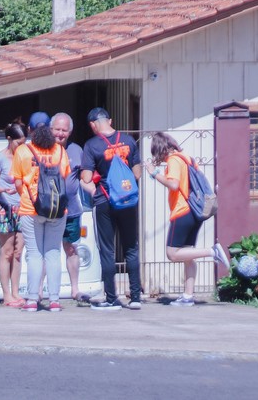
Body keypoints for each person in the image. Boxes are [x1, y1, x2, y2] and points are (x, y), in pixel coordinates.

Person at [145, 132, 231, 307]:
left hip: (182, 211)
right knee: (188, 255)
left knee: (172, 253)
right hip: (195, 211)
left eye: (155, 152)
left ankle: (212, 252)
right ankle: (188, 296)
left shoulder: (174, 160)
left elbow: (174, 184)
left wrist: (154, 173)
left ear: (161, 149)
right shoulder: (186, 158)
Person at [80, 107, 143, 311]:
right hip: (127, 200)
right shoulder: (129, 141)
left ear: (93, 125)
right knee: (131, 248)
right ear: (110, 120)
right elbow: (137, 174)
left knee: (107, 250)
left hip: (105, 200)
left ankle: (111, 298)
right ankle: (135, 298)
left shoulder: (92, 145)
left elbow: (86, 178)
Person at [12, 124, 71, 312]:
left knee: (34, 254)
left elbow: (18, 182)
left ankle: (31, 300)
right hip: (57, 209)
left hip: (31, 208)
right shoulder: (59, 151)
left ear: (32, 133)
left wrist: (28, 197)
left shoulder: (23, 151)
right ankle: (54, 300)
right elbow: (65, 177)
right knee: (53, 252)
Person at [51, 112, 91, 304]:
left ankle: (75, 289)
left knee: (71, 249)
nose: (60, 133)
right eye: (57, 129)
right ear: (50, 129)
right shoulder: (42, 150)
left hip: (72, 210)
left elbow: (83, 178)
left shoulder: (76, 150)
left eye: (64, 130)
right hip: (49, 210)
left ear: (70, 132)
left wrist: (96, 192)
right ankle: (42, 291)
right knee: (47, 251)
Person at [0, 120, 28, 308]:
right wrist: (4, 189)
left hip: (23, 207)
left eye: (24, 142)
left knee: (19, 251)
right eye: (19, 142)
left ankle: (16, 292)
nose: (22, 146)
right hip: (4, 207)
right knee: (7, 251)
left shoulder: (25, 156)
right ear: (9, 139)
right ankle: (6, 295)